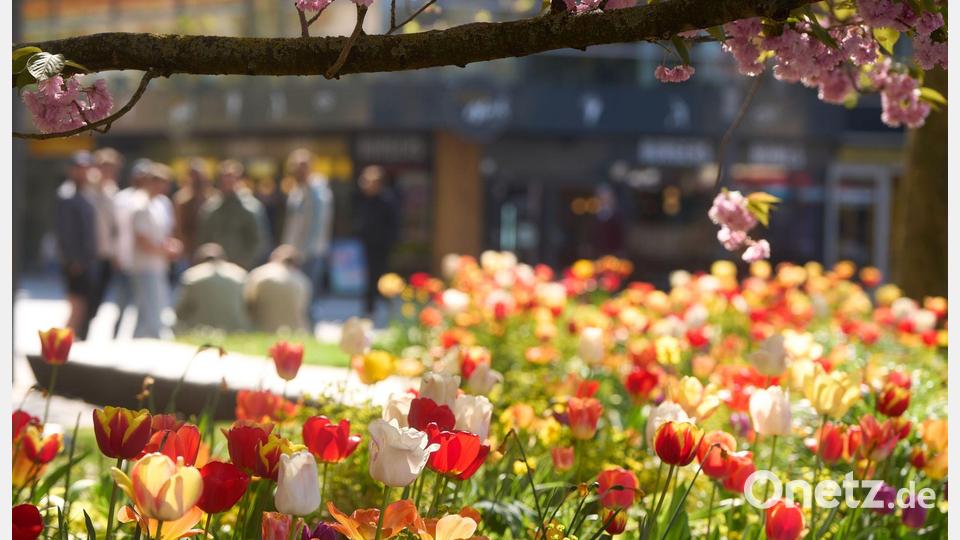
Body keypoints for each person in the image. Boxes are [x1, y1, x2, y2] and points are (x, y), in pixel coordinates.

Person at [130, 163, 182, 338]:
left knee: (150, 310)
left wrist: (171, 246)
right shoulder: (140, 205)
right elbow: (141, 239)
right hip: (144, 265)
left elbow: (166, 233)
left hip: (160, 265)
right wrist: (165, 251)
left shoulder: (163, 204)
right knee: (150, 310)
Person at [53, 151, 99, 340]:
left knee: (82, 306)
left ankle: (66, 344)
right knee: (76, 306)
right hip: (75, 262)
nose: (84, 173)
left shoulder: (86, 193)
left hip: (86, 261)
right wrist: (74, 260)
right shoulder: (67, 195)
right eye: (80, 169)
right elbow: (66, 232)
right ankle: (58, 347)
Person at [281, 149, 334, 301]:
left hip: (310, 254)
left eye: (303, 165)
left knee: (308, 296)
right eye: (296, 166)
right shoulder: (296, 191)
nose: (299, 170)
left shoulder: (319, 192)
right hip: (294, 252)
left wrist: (300, 254)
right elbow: (291, 224)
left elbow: (317, 226)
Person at [197, 160, 266, 270]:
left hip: (243, 267)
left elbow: (259, 240)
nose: (227, 182)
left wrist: (245, 263)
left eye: (231, 178)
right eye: (224, 178)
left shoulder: (250, 207)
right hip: (216, 268)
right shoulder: (211, 208)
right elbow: (204, 238)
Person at [112, 158, 153, 337]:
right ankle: (113, 338)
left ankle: (137, 339)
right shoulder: (122, 198)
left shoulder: (153, 200)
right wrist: (116, 255)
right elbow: (114, 230)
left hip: (143, 262)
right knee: (121, 304)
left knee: (144, 305)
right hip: (124, 260)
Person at [84, 148, 122, 336]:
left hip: (107, 253)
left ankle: (84, 331)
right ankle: (81, 332)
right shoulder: (87, 188)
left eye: (112, 168)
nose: (109, 171)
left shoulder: (113, 191)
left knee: (99, 297)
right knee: (87, 297)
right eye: (105, 167)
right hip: (90, 253)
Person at [174, 243, 250, 333]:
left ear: (198, 261)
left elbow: (180, 311)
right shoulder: (240, 275)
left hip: (201, 330)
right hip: (237, 329)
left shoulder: (192, 276)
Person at [354, 165, 399, 316]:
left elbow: (394, 224)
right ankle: (370, 306)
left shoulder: (387, 200)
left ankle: (386, 304)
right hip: (369, 243)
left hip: (382, 245)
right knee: (370, 275)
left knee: (382, 275)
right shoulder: (364, 199)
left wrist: (389, 241)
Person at [244, 244, 312, 333]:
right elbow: (303, 309)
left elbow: (247, 302)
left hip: (261, 329)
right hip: (295, 331)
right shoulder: (303, 281)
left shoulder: (259, 274)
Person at [173, 158, 213, 270]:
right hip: (189, 250)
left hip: (209, 248)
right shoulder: (181, 200)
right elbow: (179, 228)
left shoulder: (213, 198)